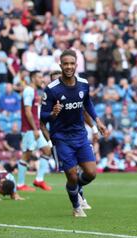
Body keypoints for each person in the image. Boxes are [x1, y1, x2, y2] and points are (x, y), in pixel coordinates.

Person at [40, 49, 109, 217]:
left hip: (80, 135)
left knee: (91, 173)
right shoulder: (51, 89)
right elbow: (42, 117)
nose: (69, 66)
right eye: (66, 64)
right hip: (61, 137)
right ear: (60, 65)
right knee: (71, 175)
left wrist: (97, 121)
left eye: (72, 63)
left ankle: (78, 189)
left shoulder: (83, 84)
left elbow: (88, 103)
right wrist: (53, 114)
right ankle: (76, 206)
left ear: (76, 65)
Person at [17, 71, 53, 192]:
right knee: (27, 154)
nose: (41, 79)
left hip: (35, 128)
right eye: (39, 77)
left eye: (42, 77)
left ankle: (39, 180)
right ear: (32, 78)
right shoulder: (28, 91)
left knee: (47, 150)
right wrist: (34, 129)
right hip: (29, 129)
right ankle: (20, 184)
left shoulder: (35, 92)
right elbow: (27, 111)